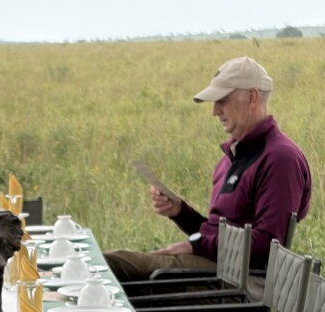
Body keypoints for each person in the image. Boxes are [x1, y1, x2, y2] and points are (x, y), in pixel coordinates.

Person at [104, 57, 312, 285]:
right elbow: (217, 232)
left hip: (240, 281)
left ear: (252, 98)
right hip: (216, 270)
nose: (215, 111)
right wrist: (180, 212)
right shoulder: (234, 156)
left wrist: (196, 245)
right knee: (114, 270)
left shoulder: (281, 158)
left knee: (109, 264)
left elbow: (268, 247)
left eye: (222, 100)